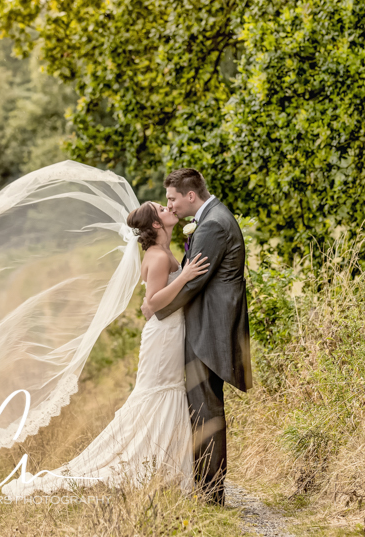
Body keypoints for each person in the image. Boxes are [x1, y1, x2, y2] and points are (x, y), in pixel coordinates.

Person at [1, 201, 209, 497]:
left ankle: (161, 465)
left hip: (170, 332)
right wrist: (186, 276)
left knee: (164, 391)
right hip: (163, 335)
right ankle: (150, 464)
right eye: (162, 208)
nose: (169, 208)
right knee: (159, 392)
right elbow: (153, 303)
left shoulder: (161, 252)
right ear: (155, 225)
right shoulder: (159, 256)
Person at [141, 168, 253, 506]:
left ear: (191, 195)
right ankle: (205, 488)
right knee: (203, 410)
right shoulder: (212, 219)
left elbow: (192, 283)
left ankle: (210, 495)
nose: (170, 205)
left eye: (173, 198)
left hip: (209, 332)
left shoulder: (214, 225)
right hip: (204, 327)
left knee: (206, 413)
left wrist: (156, 308)